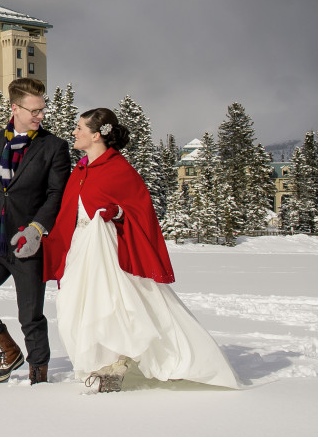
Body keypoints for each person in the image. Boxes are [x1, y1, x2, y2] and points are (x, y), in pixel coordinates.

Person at [41, 107, 240, 392]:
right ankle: (101, 363)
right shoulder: (81, 169)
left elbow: (140, 211)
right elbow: (68, 214)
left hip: (110, 252)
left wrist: (118, 213)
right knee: (75, 304)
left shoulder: (119, 169)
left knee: (115, 305)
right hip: (81, 250)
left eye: (80, 128)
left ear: (97, 135)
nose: (74, 132)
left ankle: (116, 365)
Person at [0, 78, 71, 384]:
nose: (40, 115)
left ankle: (39, 375)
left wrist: (37, 228)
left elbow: (56, 195)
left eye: (42, 109)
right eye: (34, 110)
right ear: (15, 108)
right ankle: (8, 351)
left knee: (30, 316)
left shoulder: (54, 147)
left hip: (28, 243)